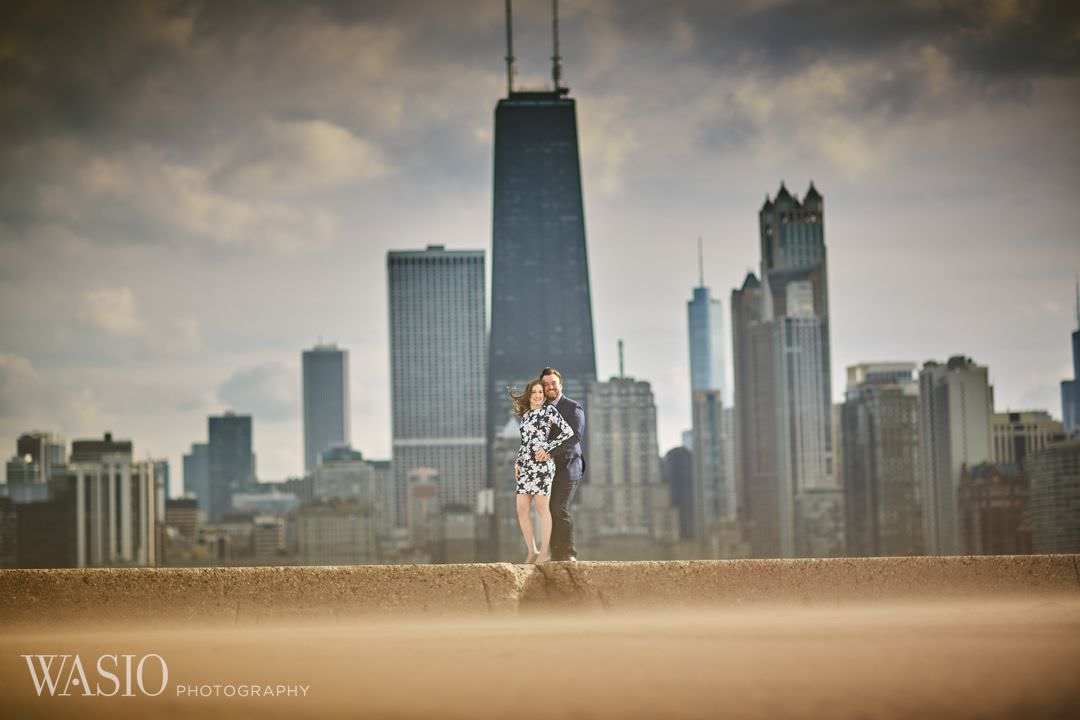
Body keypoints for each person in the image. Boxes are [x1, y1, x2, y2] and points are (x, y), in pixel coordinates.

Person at [509, 378, 574, 564]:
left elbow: (567, 432)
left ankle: (545, 551)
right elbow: (525, 443)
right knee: (522, 509)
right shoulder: (526, 416)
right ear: (529, 394)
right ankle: (532, 551)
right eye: (535, 392)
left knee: (541, 509)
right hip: (526, 466)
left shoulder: (549, 411)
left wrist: (548, 447)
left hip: (542, 465)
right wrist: (518, 462)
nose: (538, 395)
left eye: (541, 392)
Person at [533, 367, 585, 562]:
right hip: (548, 470)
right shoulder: (539, 410)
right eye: (545, 385)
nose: (550, 387)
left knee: (558, 507)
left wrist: (549, 451)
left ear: (560, 385)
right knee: (547, 510)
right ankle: (556, 554)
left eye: (553, 383)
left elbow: (575, 436)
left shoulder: (573, 408)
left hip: (569, 467)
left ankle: (568, 553)